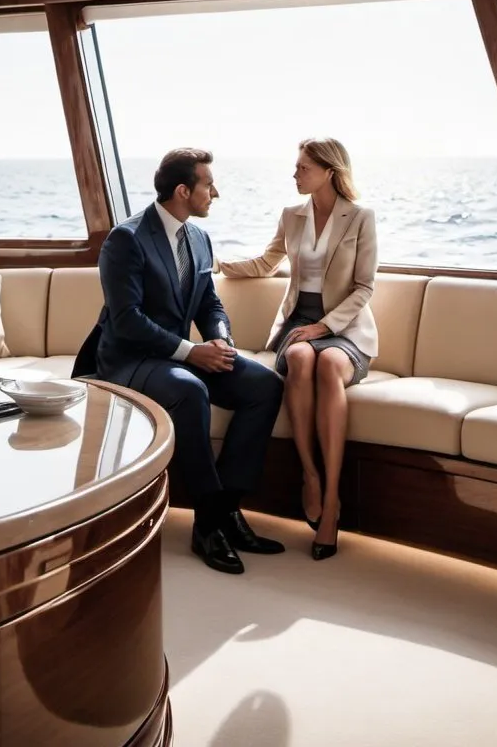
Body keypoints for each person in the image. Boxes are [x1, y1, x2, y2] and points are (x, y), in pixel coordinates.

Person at [73, 148, 286, 575]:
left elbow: (209, 303)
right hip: (130, 360)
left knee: (265, 386)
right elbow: (127, 320)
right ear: (183, 190)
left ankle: (227, 509)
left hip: (177, 356)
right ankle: (207, 524)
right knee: (190, 389)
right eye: (208, 185)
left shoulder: (199, 238)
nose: (216, 193)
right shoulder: (126, 239)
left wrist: (221, 341)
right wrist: (192, 353)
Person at [218, 138, 377, 560]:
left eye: (303, 167)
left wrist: (327, 325)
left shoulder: (360, 217)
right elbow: (265, 264)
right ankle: (310, 477)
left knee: (328, 366)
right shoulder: (291, 216)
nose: (295, 174)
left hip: (346, 328)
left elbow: (364, 287)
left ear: (329, 170)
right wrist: (214, 263)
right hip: (298, 324)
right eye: (296, 166)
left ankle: (333, 503)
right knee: (304, 358)